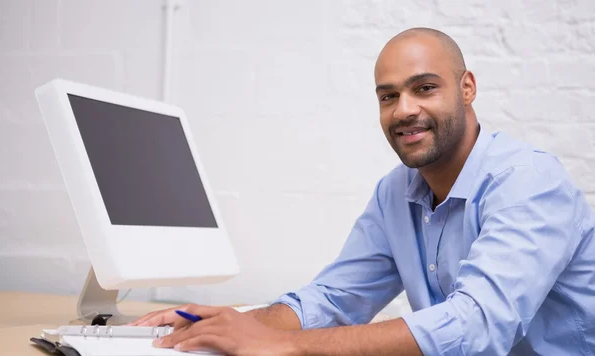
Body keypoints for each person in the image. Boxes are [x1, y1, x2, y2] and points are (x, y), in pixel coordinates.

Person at [130, 27, 595, 355]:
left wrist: (283, 345)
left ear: (467, 88)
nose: (403, 110)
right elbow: (333, 300)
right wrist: (236, 324)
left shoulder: (527, 181)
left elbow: (477, 327)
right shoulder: (397, 193)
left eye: (425, 88)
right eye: (388, 96)